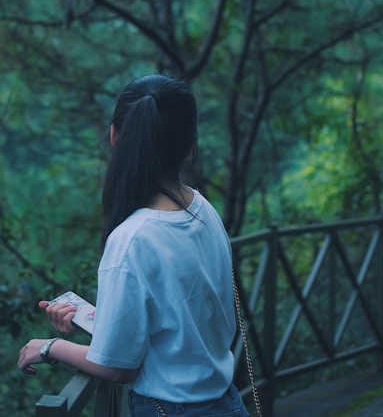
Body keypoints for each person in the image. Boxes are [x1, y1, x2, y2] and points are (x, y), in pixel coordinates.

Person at [17, 74, 249, 417]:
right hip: (226, 403)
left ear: (115, 136)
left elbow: (118, 368)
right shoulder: (203, 210)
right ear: (189, 145)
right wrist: (99, 321)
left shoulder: (131, 240)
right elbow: (179, 321)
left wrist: (51, 347)